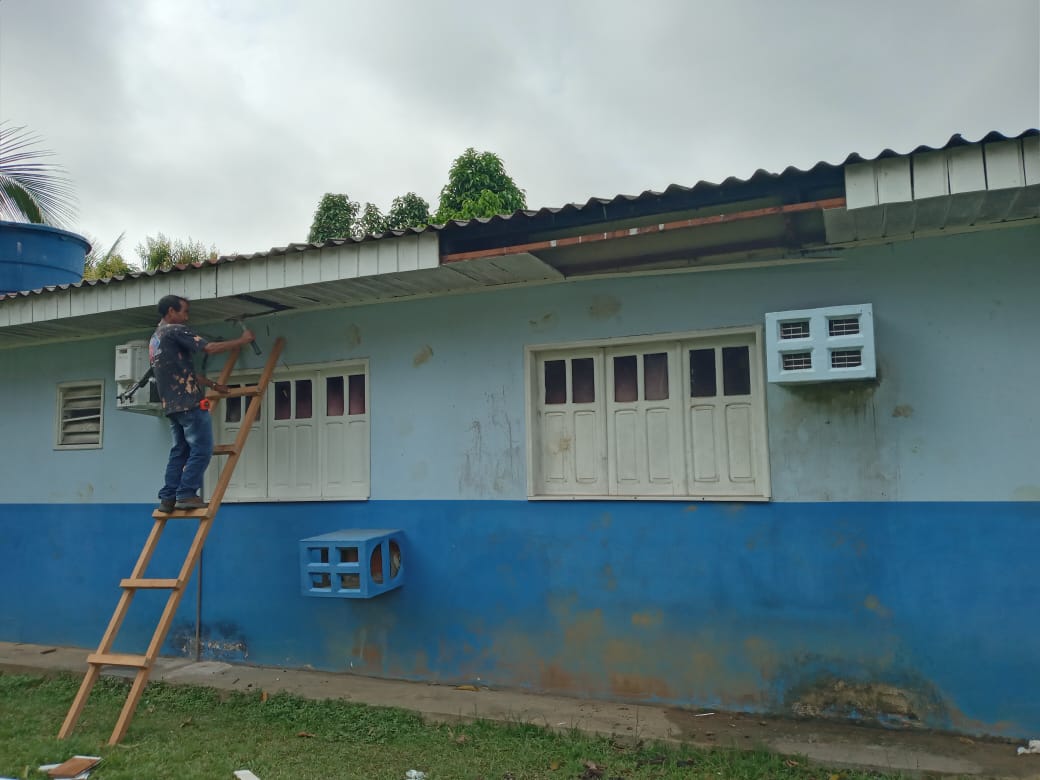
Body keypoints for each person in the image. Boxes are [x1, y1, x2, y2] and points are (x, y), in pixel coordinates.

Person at [150, 295, 255, 511]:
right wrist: (242, 340)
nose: (187, 317)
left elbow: (182, 372)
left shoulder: (155, 339)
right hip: (189, 402)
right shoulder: (175, 330)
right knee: (202, 449)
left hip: (172, 406)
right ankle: (186, 494)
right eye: (184, 312)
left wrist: (213, 385)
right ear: (171, 312)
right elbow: (209, 348)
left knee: (180, 451)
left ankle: (168, 497)